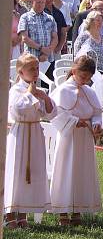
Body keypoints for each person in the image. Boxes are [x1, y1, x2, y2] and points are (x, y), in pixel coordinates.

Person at [49, 55, 103, 226]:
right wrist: (73, 121)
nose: (85, 81)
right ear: (74, 71)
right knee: (66, 171)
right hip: (68, 137)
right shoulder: (63, 90)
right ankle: (62, 211)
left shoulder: (90, 92)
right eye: (82, 77)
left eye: (88, 78)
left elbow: (96, 113)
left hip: (85, 138)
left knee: (81, 172)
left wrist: (96, 125)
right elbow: (55, 112)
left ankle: (78, 209)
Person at [5, 54, 56, 229]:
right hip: (20, 132)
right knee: (17, 172)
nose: (36, 72)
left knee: (32, 172)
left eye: (36, 68)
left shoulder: (36, 90)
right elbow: (18, 109)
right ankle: (10, 212)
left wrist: (45, 97)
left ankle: (23, 213)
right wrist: (30, 93)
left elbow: (50, 113)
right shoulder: (16, 90)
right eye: (31, 69)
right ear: (20, 72)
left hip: (34, 132)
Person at [75, 11, 103, 76]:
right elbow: (77, 57)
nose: (101, 23)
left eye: (102, 21)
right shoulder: (83, 37)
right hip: (87, 76)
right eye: (98, 20)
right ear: (90, 21)